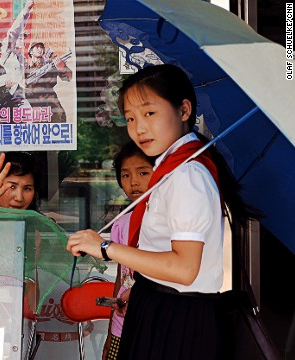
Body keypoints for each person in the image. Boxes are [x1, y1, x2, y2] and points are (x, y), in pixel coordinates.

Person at [66, 64, 254, 360]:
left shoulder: (186, 175)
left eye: (149, 113)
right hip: (159, 306)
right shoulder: (171, 168)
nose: (139, 128)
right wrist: (144, 286)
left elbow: (183, 269)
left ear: (184, 110)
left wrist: (105, 247)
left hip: (177, 320)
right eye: (130, 118)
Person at [102, 141, 154, 360]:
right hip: (120, 325)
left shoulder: (166, 223)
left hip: (153, 323)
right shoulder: (121, 224)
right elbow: (120, 274)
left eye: (143, 172)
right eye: (125, 175)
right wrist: (108, 332)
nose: (134, 182)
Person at [23, 41, 73, 122]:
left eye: (41, 47)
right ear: (31, 51)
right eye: (37, 47)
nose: (40, 49)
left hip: (53, 106)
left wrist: (61, 67)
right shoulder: (25, 71)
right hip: (36, 109)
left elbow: (68, 78)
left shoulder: (50, 65)